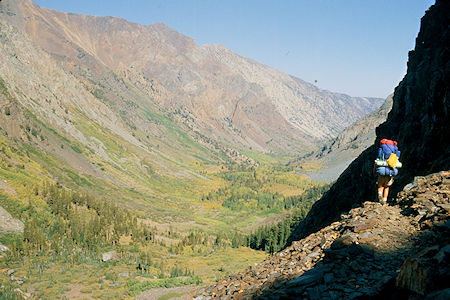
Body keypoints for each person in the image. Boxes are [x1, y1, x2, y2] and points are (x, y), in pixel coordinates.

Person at [373, 139, 401, 204]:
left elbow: (378, 160)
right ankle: (385, 200)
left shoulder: (381, 150)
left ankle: (380, 196)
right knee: (387, 186)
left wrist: (374, 171)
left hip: (382, 170)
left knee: (380, 186)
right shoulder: (395, 150)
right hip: (391, 171)